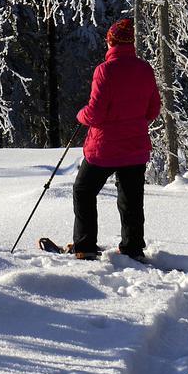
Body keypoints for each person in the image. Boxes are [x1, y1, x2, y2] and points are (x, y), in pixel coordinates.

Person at [69, 18, 161, 262]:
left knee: (83, 190)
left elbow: (95, 113)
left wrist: (81, 115)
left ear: (111, 41)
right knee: (131, 199)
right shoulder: (145, 69)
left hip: (104, 148)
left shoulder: (105, 70)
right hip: (134, 146)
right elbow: (153, 110)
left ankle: (85, 246)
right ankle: (132, 248)